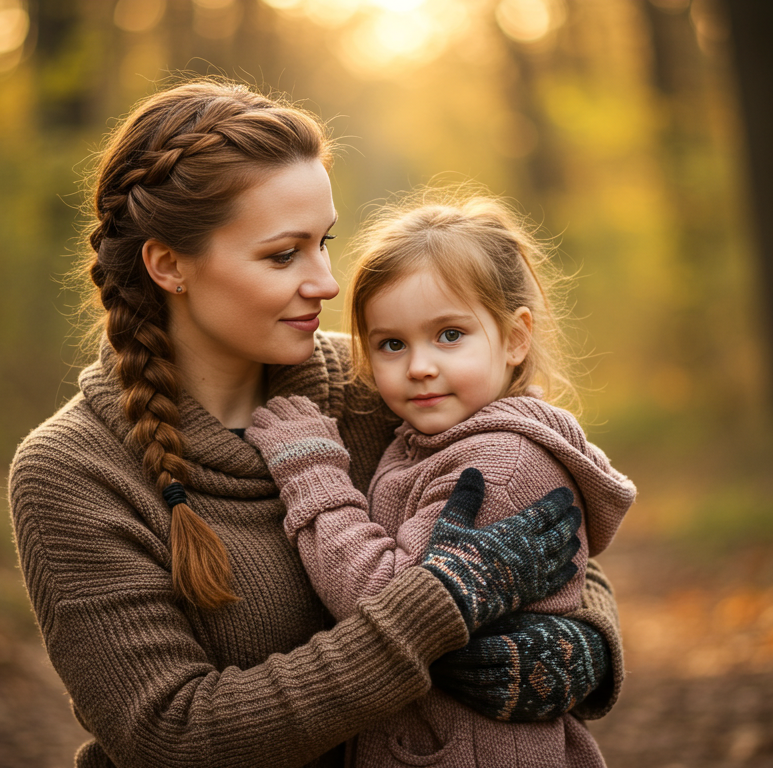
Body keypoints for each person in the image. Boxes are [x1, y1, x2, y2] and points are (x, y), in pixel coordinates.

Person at [7, 79, 626, 768]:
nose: (328, 283)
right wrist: (436, 606)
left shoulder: (381, 383)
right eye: (283, 254)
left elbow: (537, 524)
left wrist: (583, 647)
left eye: (323, 243)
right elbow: (169, 735)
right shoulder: (72, 471)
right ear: (169, 265)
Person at [244, 193, 636, 767]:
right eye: (391, 344)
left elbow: (388, 602)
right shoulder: (441, 436)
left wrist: (312, 472)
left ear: (515, 338)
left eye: (450, 334)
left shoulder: (499, 462)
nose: (420, 366)